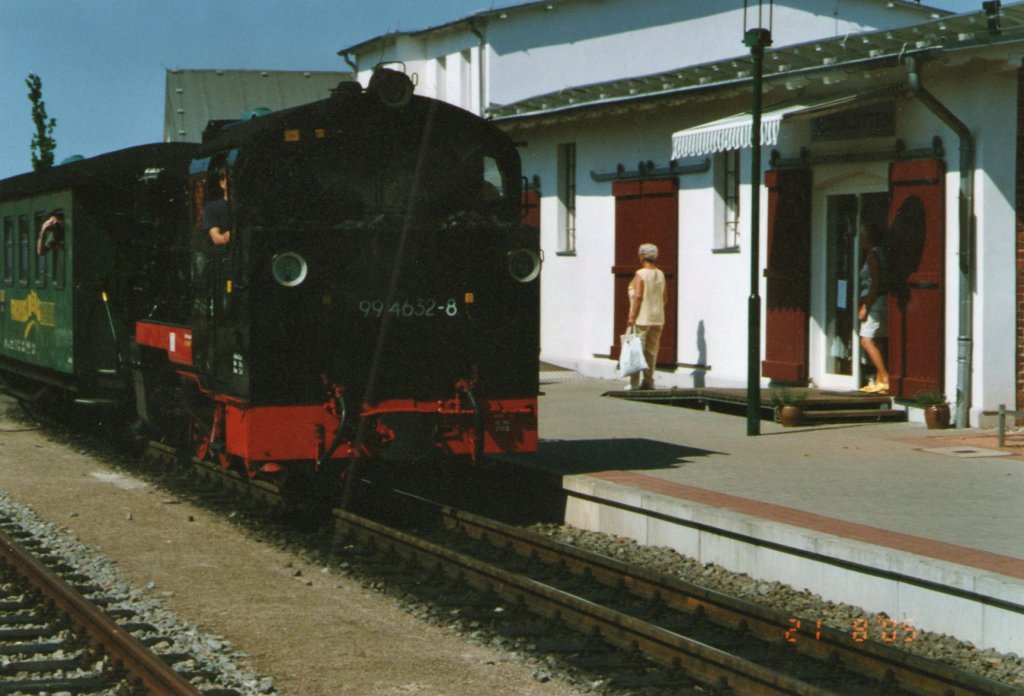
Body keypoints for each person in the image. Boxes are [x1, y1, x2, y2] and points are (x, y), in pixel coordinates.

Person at [626, 242, 667, 390]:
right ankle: (649, 381)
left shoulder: (641, 274)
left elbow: (638, 297)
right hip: (658, 318)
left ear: (642, 256)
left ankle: (634, 383)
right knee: (651, 351)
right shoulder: (661, 274)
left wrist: (632, 317)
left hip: (642, 318)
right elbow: (665, 297)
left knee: (636, 349)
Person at [858, 221, 889, 393]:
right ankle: (879, 381)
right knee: (878, 340)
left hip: (875, 303)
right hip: (881, 301)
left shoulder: (872, 255)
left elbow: (875, 283)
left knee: (866, 340)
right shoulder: (881, 253)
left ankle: (885, 377)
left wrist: (866, 307)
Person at [203, 166, 232, 246]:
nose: (233, 182)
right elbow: (216, 239)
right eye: (230, 179)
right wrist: (234, 235)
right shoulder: (212, 207)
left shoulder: (245, 206)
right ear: (222, 183)